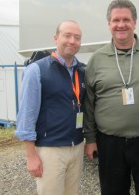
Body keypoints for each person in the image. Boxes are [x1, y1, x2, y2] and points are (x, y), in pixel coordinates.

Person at [84, 0, 139, 195]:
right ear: (109, 24)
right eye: (116, 20)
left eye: (126, 19)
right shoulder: (97, 59)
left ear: (135, 22)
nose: (121, 25)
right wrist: (90, 139)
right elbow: (89, 102)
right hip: (110, 142)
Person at [15, 20, 86, 195]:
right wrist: (31, 156)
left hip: (76, 147)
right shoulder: (37, 70)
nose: (72, 41)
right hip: (50, 150)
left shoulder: (82, 71)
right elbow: (27, 115)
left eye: (77, 38)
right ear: (56, 38)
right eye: (67, 36)